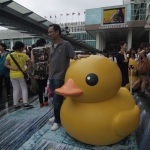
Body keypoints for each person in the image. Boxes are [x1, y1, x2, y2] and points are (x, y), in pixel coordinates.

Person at [48, 24, 89, 131]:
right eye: (48, 32)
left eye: (51, 32)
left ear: (57, 32)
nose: (49, 34)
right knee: (55, 100)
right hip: (52, 77)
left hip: (60, 77)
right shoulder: (51, 46)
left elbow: (73, 56)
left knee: (57, 101)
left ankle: (58, 121)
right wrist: (49, 76)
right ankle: (57, 116)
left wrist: (79, 56)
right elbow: (51, 62)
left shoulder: (65, 44)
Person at [5, 41, 34, 109]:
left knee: (15, 89)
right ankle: (25, 103)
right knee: (24, 88)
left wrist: (14, 68)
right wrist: (26, 70)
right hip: (21, 74)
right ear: (21, 48)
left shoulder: (10, 55)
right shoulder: (24, 55)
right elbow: (30, 63)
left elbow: (6, 64)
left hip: (12, 75)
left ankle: (16, 104)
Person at [31, 38, 49, 108]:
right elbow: (50, 59)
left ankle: (41, 103)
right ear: (44, 43)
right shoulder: (47, 49)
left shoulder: (33, 50)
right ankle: (46, 101)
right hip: (45, 67)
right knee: (45, 86)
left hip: (37, 68)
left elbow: (32, 61)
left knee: (40, 87)